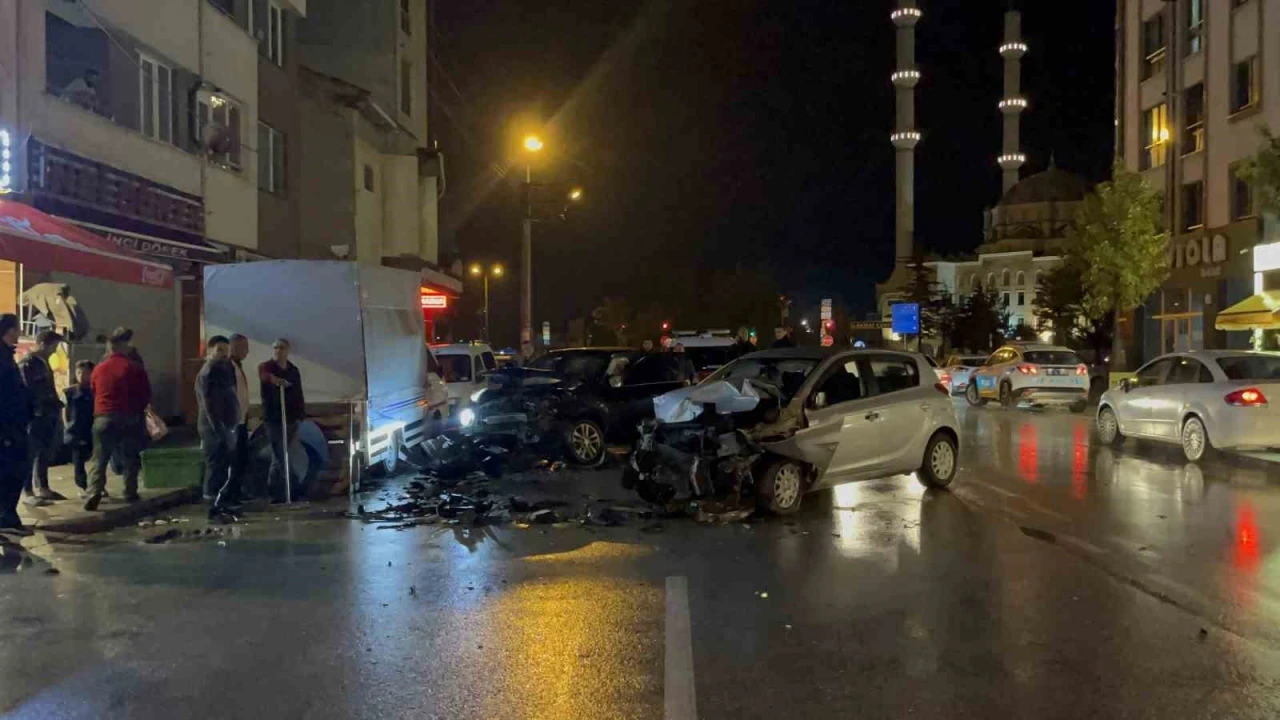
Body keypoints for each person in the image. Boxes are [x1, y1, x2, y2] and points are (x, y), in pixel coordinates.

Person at [84, 327, 151, 511]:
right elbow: (145, 393)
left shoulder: (99, 368)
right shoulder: (134, 367)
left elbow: (93, 390)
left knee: (99, 458)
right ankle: (130, 492)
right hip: (129, 417)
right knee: (130, 457)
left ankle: (94, 491)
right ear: (123, 346)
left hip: (103, 418)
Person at [19, 330, 66, 505]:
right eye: (53, 346)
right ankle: (27, 491)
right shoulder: (28, 363)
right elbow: (27, 390)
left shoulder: (43, 362)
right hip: (35, 415)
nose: (54, 350)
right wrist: (37, 408)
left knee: (44, 451)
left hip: (48, 413)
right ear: (43, 344)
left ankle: (42, 487)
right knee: (30, 453)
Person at [197, 337, 240, 516]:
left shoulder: (226, 368)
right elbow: (208, 405)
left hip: (227, 425)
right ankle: (211, 506)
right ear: (210, 351)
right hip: (213, 427)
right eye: (220, 350)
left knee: (224, 466)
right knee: (215, 466)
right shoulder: (208, 372)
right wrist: (218, 429)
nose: (224, 354)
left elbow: (232, 395)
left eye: (227, 351)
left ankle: (221, 503)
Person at [258, 338, 304, 503]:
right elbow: (265, 376)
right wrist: (276, 380)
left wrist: (300, 415)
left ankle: (274, 492)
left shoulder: (293, 370)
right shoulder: (266, 367)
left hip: (290, 418)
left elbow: (298, 393)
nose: (278, 350)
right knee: (280, 454)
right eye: (275, 347)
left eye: (281, 348)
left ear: (287, 350)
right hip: (273, 419)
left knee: (278, 459)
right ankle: (295, 487)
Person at [0, 314, 32, 534]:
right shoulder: (2, 358)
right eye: (17, 328)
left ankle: (7, 515)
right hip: (8, 427)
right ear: (9, 330)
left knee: (13, 470)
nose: (20, 332)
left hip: (13, 424)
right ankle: (7, 517)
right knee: (12, 470)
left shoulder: (6, 355)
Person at [63, 360, 96, 498]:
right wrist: (67, 425)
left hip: (92, 428)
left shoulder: (95, 390)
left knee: (96, 460)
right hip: (76, 430)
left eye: (86, 373)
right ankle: (82, 486)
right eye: (79, 373)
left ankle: (97, 485)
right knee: (78, 461)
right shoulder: (69, 392)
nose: (82, 376)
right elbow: (65, 411)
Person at [227, 334, 251, 503]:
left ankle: (237, 492)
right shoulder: (228, 367)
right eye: (243, 347)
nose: (247, 351)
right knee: (234, 460)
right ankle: (230, 495)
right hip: (233, 423)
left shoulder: (237, 366)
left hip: (241, 421)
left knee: (241, 459)